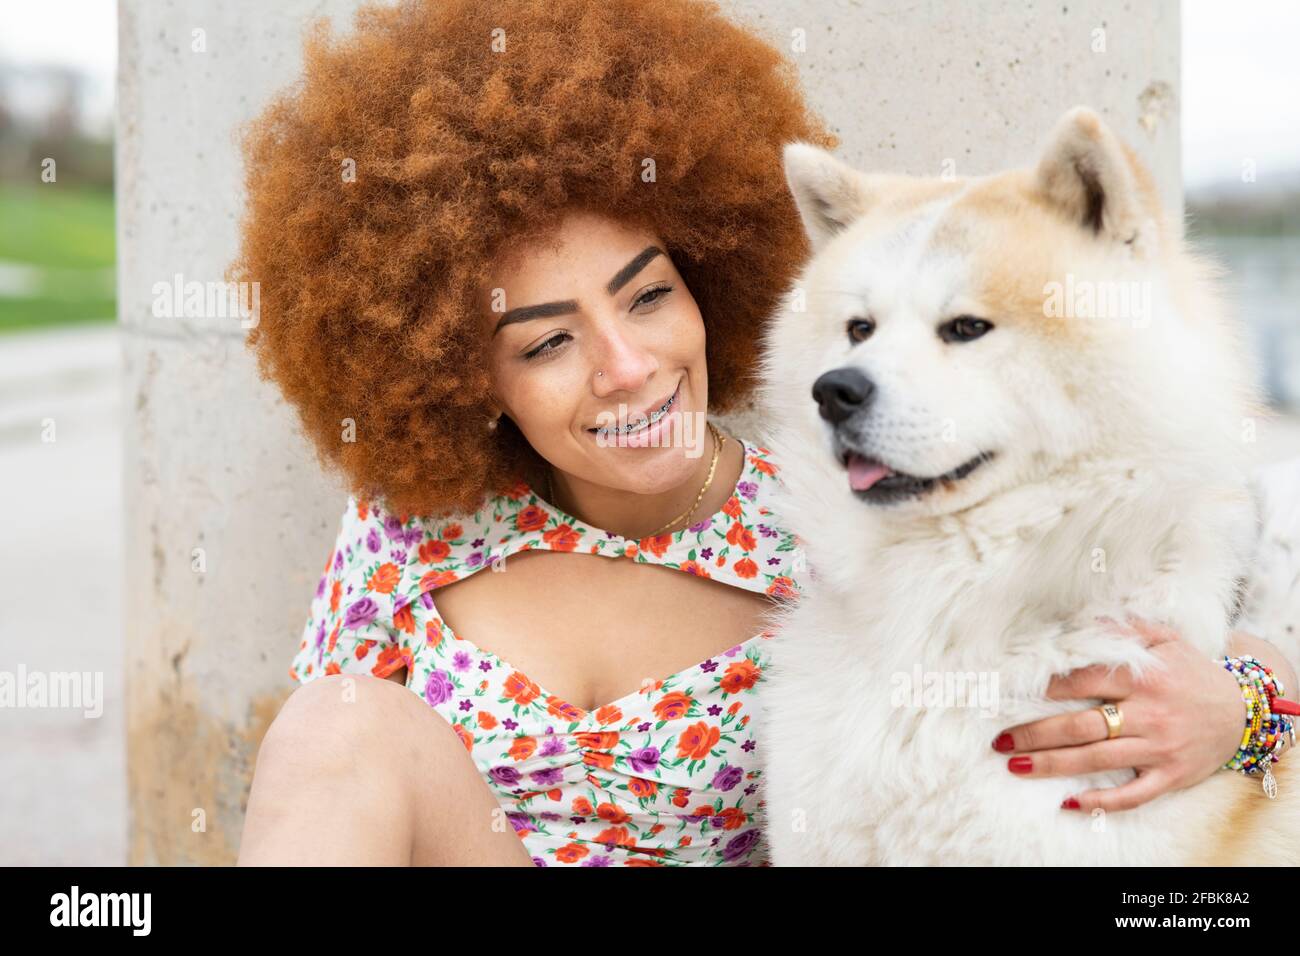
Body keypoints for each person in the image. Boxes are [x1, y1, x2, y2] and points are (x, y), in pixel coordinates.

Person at [233, 0, 1298, 867]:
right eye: (547, 343)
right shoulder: (408, 541)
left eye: (646, 297)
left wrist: (1247, 709)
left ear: (708, 277)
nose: (626, 365)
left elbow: (1165, 540)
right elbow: (330, 798)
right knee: (335, 722)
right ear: (463, 372)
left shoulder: (850, 511)